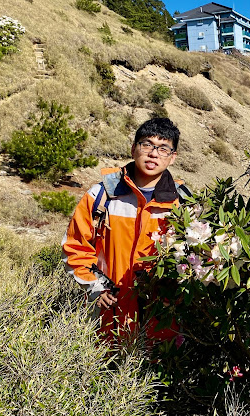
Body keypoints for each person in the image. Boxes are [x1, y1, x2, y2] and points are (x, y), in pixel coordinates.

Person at [62, 117, 188, 340]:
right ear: (133, 149)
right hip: (106, 315)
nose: (153, 153)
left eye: (163, 148)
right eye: (146, 144)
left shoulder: (183, 204)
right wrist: (95, 287)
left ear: (172, 157)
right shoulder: (102, 196)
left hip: (161, 323)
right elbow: (75, 247)